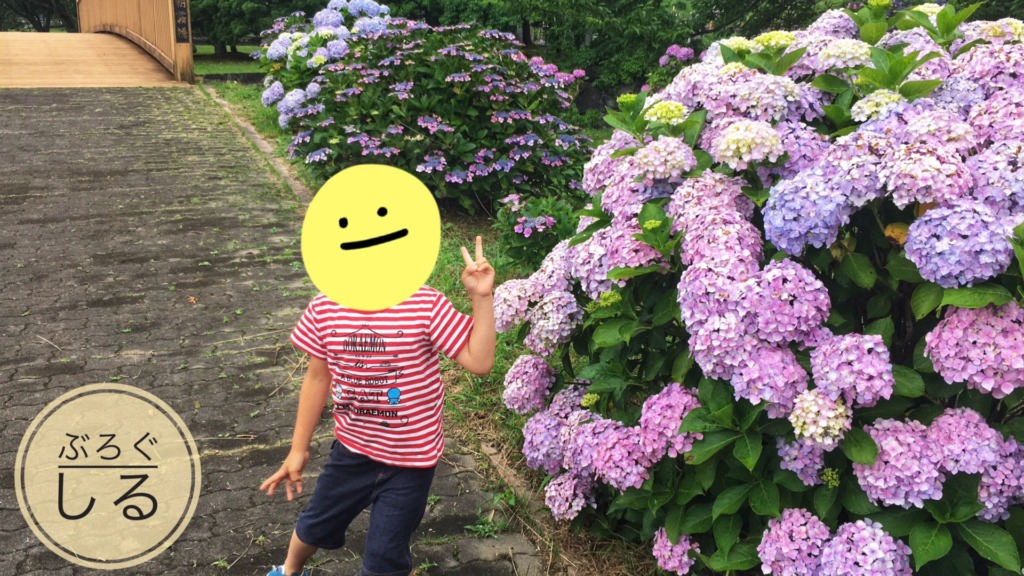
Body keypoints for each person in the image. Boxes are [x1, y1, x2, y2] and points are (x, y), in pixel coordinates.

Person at [260, 236, 496, 576]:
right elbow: (316, 378)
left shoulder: (424, 304)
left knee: (385, 559)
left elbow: (480, 360)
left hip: (411, 462)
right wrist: (298, 448)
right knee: (314, 526)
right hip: (352, 452)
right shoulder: (325, 308)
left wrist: (482, 297)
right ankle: (289, 570)